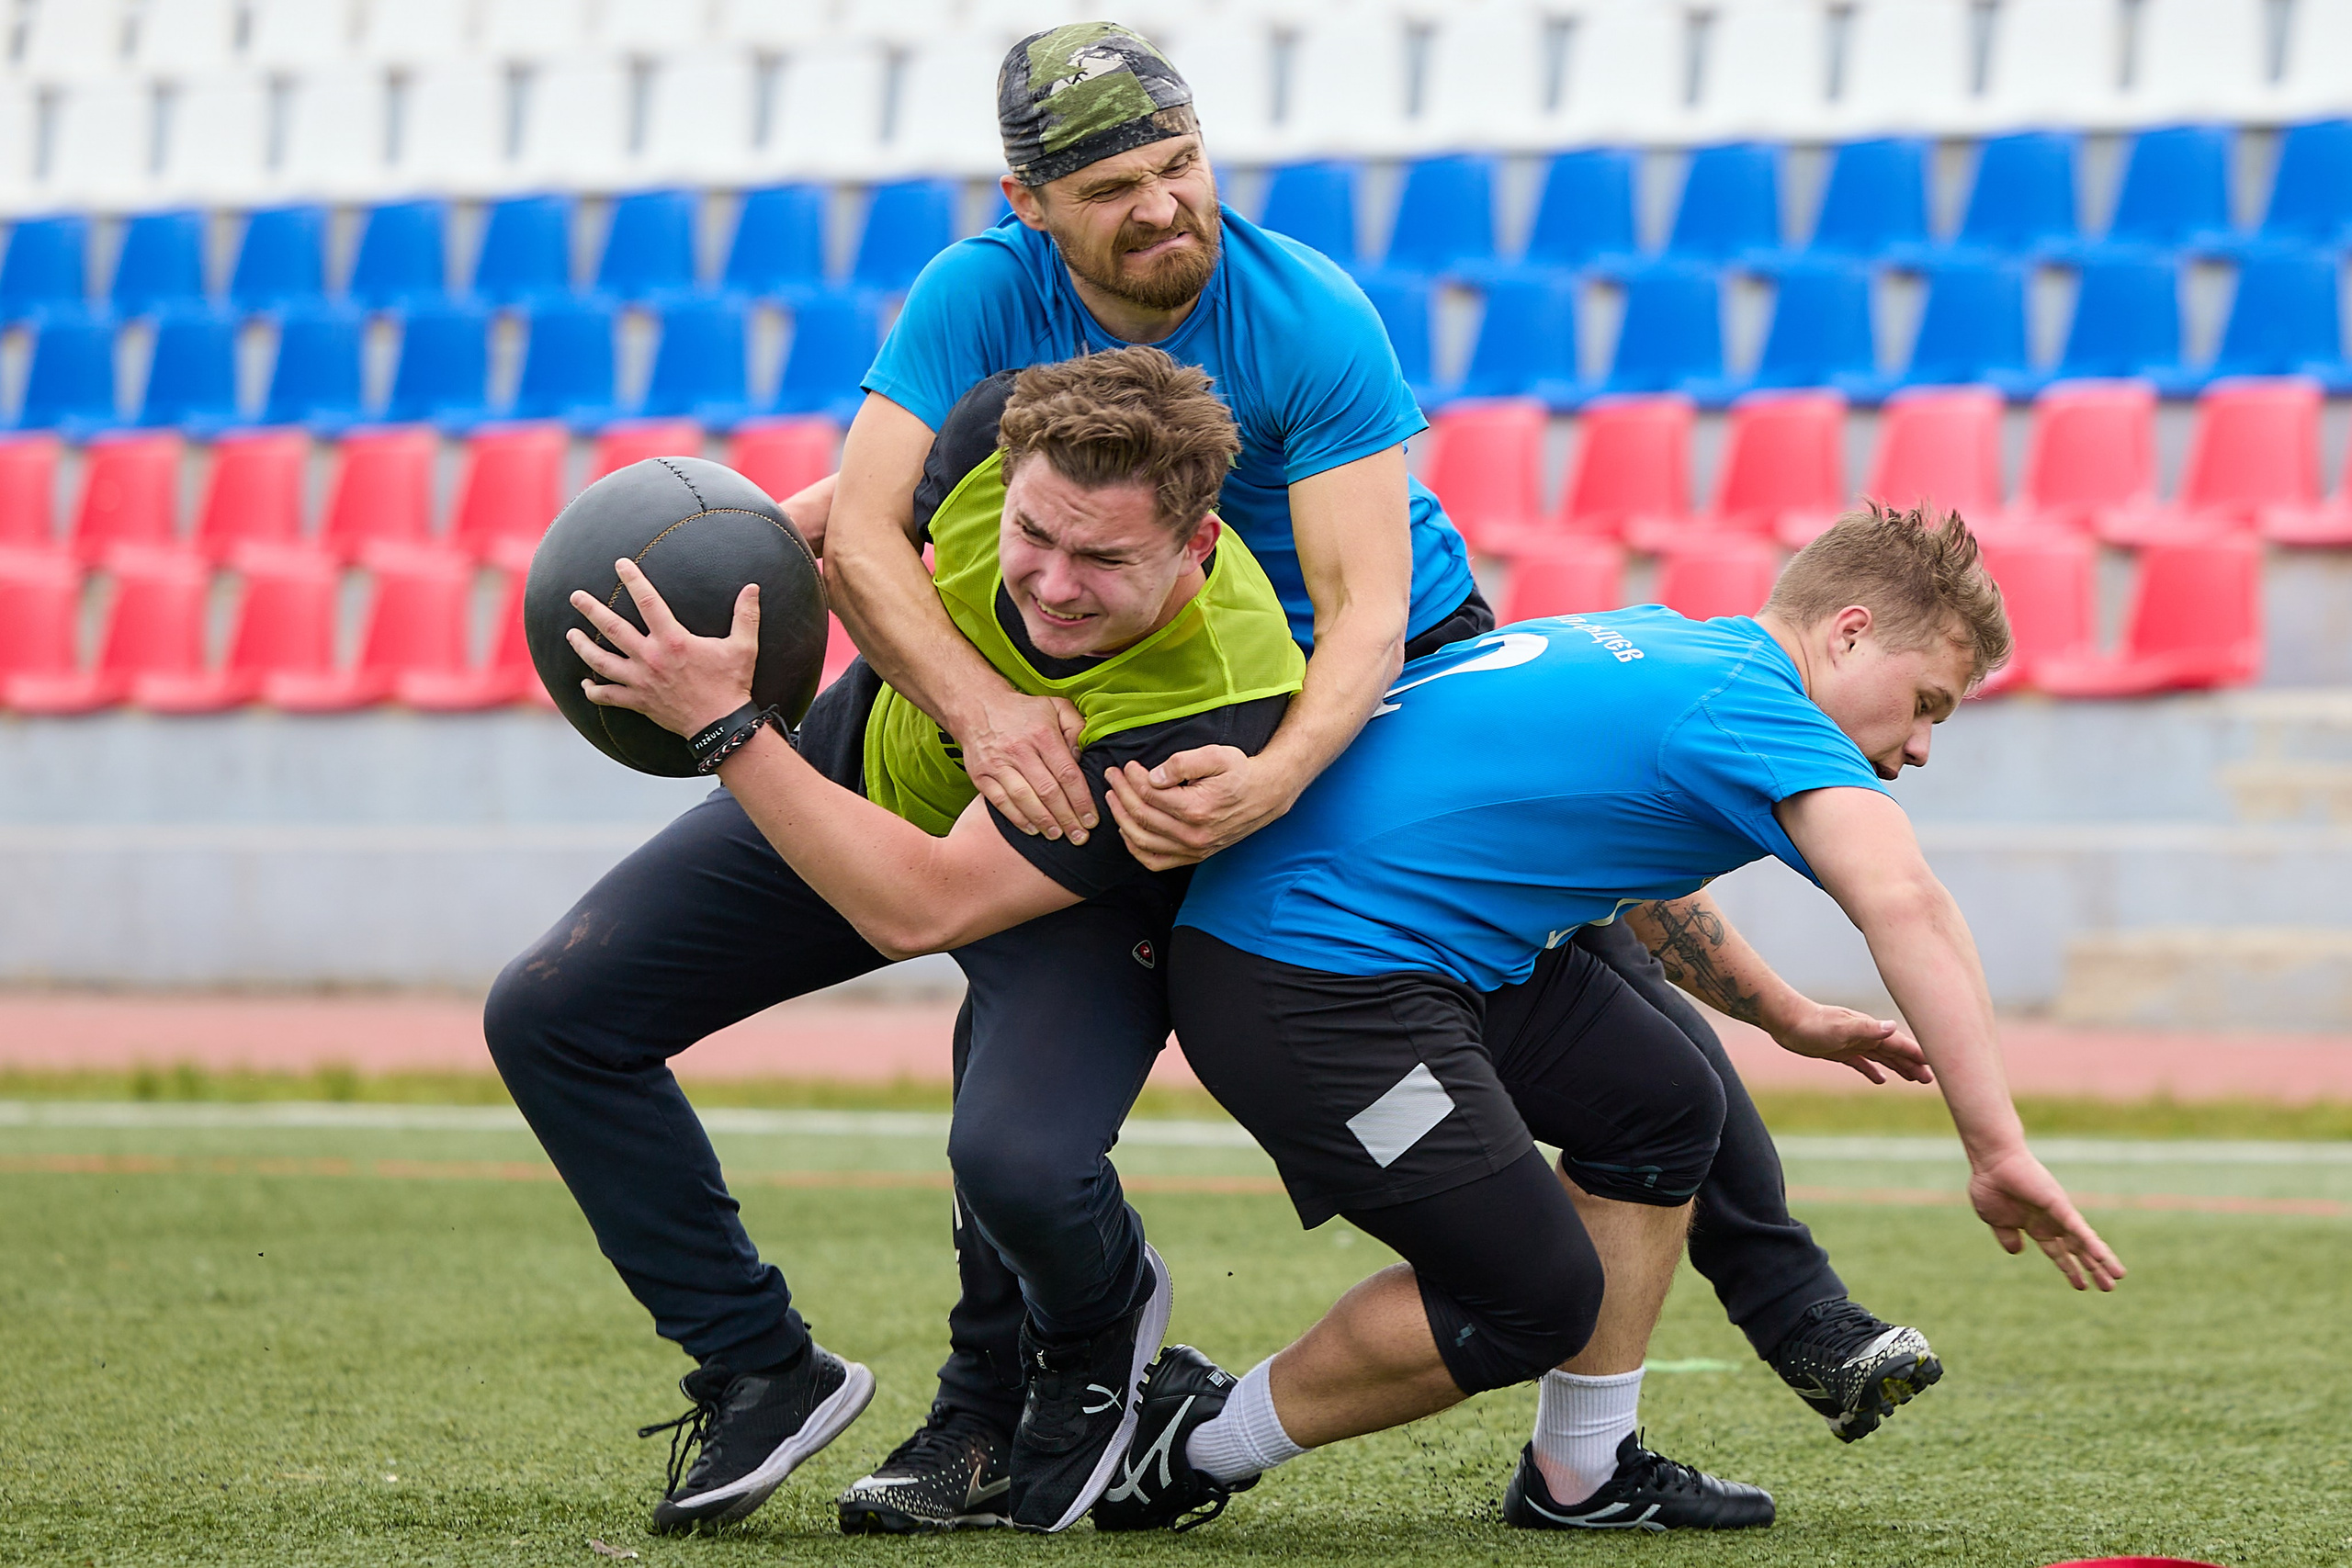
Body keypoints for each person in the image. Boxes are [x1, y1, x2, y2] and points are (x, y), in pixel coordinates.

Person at [824, 19, 1949, 1530]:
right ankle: (985, 1408)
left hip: (1379, 664)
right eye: (1114, 183)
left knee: (1602, 956)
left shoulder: (1305, 312)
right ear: (1029, 202)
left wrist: (1276, 780)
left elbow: (1363, 619)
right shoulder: (975, 292)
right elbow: (855, 519)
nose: (1165, 203)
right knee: (1022, 1018)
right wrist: (979, 711)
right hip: (1163, 689)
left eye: (1179, 161)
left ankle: (1777, 1313)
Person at [1083, 506, 2126, 1532]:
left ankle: (1580, 1474)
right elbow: (1908, 904)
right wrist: (1995, 1148)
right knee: (1533, 1298)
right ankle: (1191, 1443)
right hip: (1305, 989)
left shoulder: (1673, 645)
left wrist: (1781, 1013)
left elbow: (1627, 868)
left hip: (1404, 958)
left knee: (1665, 1105)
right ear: (1849, 630)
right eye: (1925, 702)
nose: (1924, 744)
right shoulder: (1751, 706)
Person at [485, 350, 1307, 1533]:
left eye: (1104, 559)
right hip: (861, 765)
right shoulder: (985, 432)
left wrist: (722, 723)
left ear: (1199, 545)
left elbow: (920, 906)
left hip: (1056, 895)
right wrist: (698, 597)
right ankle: (758, 1368)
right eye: (1035, 535)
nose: (1053, 584)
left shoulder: (1213, 705)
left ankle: (1069, 1344)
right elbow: (815, 532)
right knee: (552, 1015)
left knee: (1016, 1162)